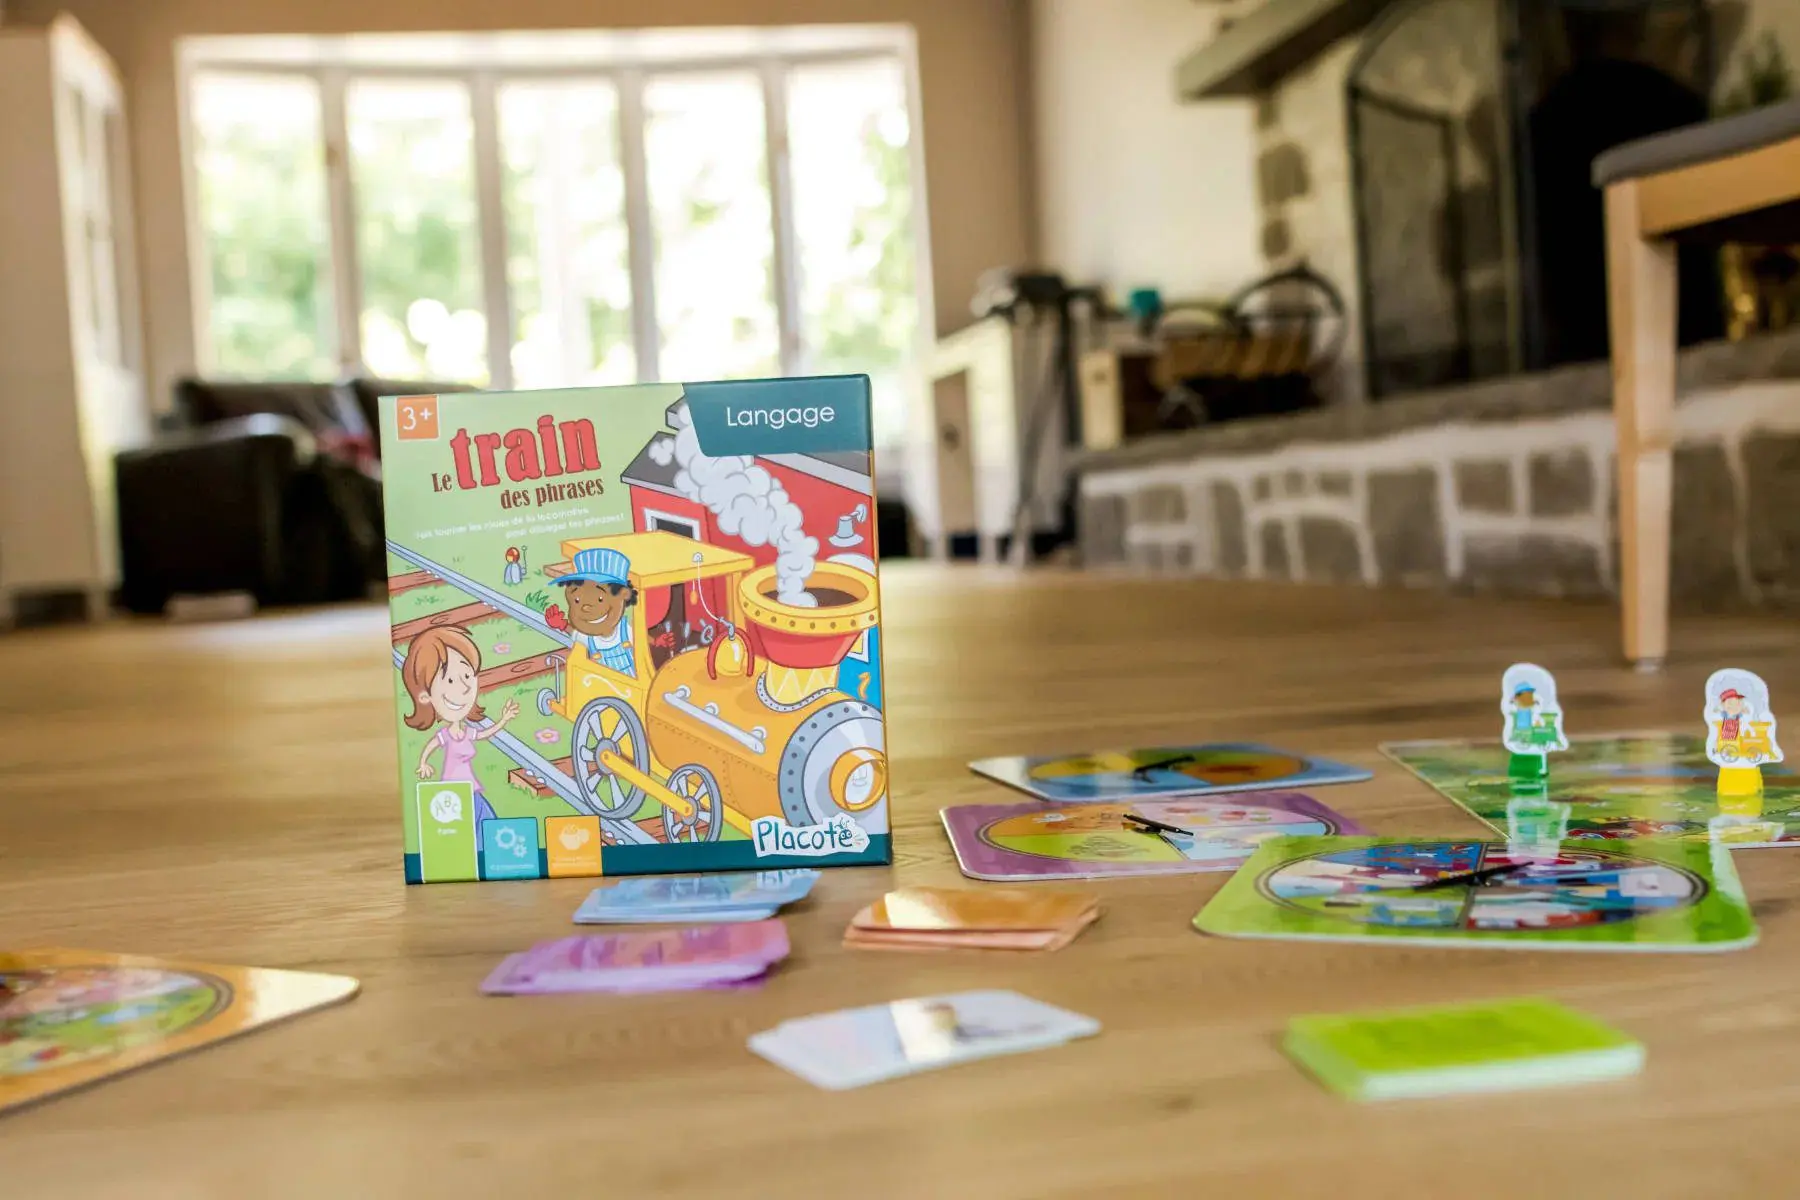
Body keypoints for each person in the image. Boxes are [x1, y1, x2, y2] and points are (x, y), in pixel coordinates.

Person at [404, 625, 520, 825]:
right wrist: (423, 763)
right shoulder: (446, 735)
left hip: (471, 790)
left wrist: (504, 719)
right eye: (450, 680)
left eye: (467, 676)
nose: (465, 687)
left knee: (486, 822)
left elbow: (485, 733)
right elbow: (431, 746)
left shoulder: (466, 733)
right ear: (425, 696)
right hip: (453, 794)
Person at [558, 546, 638, 677]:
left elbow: (642, 643)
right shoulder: (587, 636)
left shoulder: (624, 630)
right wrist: (561, 625)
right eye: (577, 600)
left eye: (600, 599)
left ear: (623, 595)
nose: (585, 608)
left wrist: (657, 642)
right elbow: (573, 633)